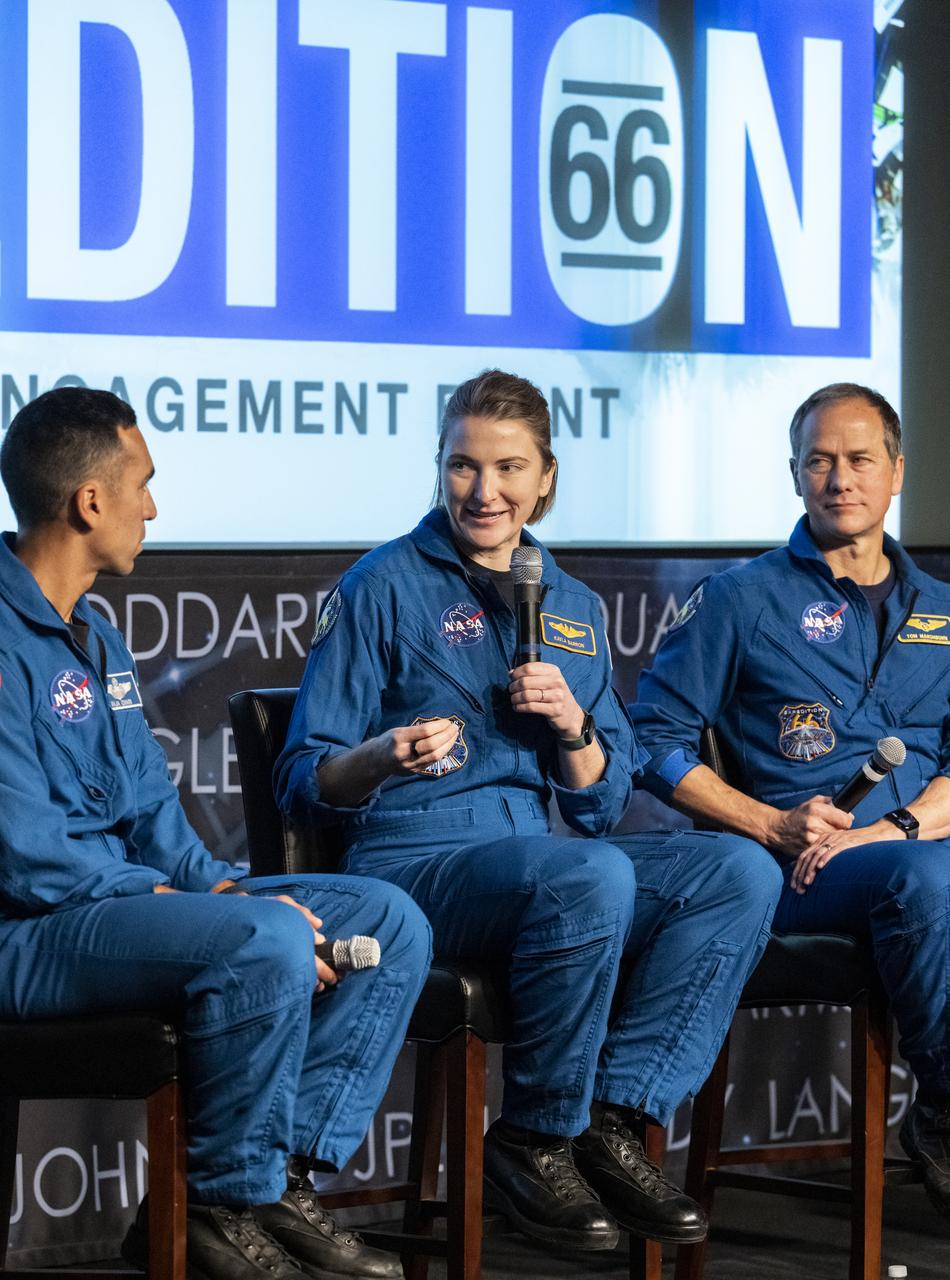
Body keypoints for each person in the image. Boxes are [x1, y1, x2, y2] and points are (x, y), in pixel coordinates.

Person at [276, 370, 781, 1252]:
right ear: (439, 468)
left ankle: (611, 1120)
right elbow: (302, 775)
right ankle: (534, 1134)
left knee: (735, 867)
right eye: (463, 466)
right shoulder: (382, 585)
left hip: (541, 861)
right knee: (586, 876)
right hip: (413, 862)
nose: (485, 490)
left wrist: (575, 726)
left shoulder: (572, 609)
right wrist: (379, 754)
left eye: (508, 468)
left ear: (546, 477)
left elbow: (601, 805)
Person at [0, 387, 432, 1280]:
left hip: (117, 906)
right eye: (142, 484)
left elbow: (153, 809)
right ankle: (223, 1201)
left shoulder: (99, 633)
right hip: (31, 931)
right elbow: (28, 854)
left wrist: (213, 886)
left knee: (388, 920)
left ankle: (279, 1183)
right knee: (263, 937)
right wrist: (164, 898)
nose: (152, 506)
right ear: (89, 501)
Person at [630, 382, 950, 1217]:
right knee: (926, 882)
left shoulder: (945, 613)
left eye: (860, 459)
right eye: (819, 460)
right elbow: (649, 741)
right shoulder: (742, 599)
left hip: (915, 848)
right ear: (796, 475)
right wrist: (768, 821)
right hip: (800, 877)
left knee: (927, 872)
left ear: (898, 471)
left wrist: (895, 826)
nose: (839, 478)